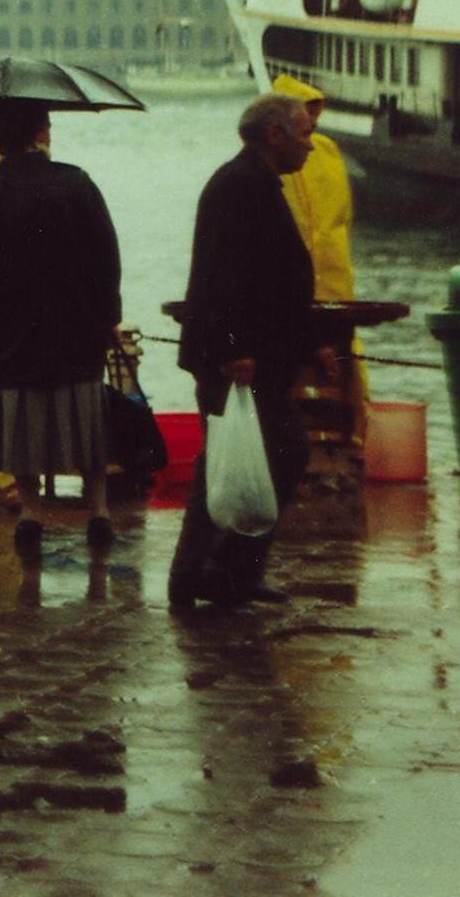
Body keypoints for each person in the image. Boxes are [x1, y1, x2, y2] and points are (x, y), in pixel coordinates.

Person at [167, 92, 340, 610]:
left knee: (250, 461)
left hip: (260, 355)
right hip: (240, 359)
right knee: (249, 461)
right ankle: (211, 570)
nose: (310, 146)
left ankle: (222, 571)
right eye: (304, 135)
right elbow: (223, 278)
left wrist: (313, 343)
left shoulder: (256, 183)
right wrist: (232, 349)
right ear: (274, 135)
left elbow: (277, 281)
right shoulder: (238, 187)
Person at [0, 100, 123, 554]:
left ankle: (33, 511)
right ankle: (97, 508)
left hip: (7, 332)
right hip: (75, 328)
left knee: (19, 420)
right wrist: (110, 315)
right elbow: (106, 256)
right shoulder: (76, 184)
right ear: (41, 134)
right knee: (83, 418)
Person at [269, 73, 369, 440]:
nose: (311, 122)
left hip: (333, 283)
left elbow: (341, 218)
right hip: (304, 290)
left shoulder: (323, 150)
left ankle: (345, 435)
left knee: (338, 367)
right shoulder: (286, 161)